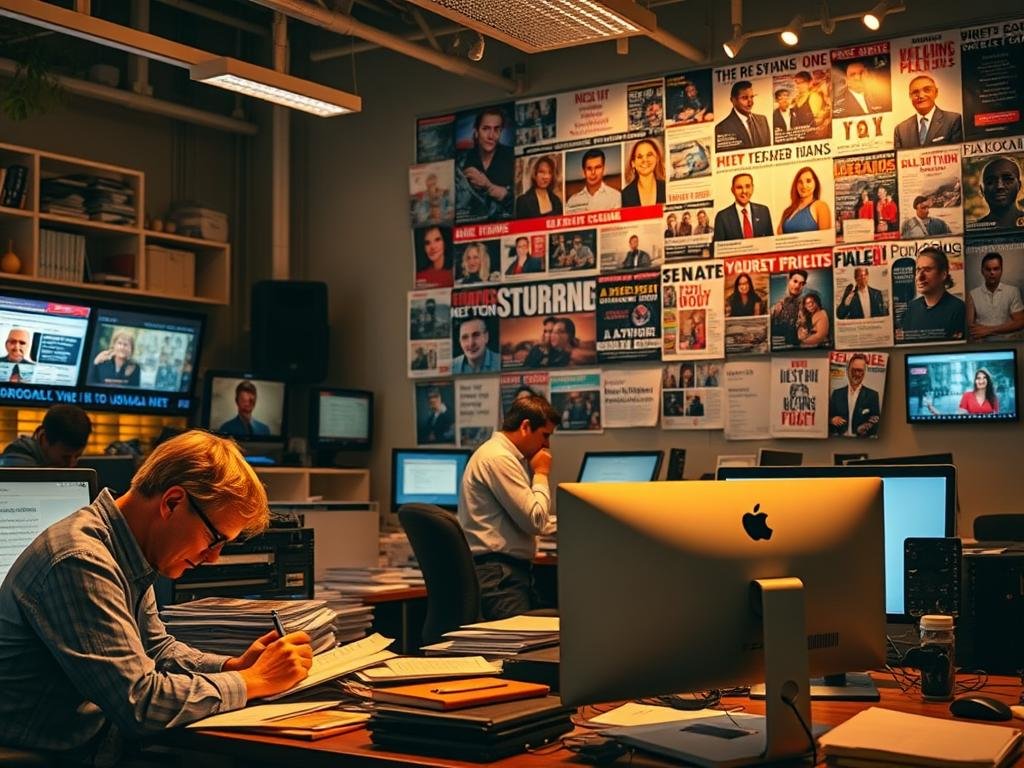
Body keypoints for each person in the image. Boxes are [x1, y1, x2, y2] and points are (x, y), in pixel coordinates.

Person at [0, 430, 313, 761]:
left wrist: (230, 666)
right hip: (50, 756)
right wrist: (253, 680)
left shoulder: (128, 548)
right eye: (215, 538)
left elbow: (156, 649)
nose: (214, 557)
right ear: (172, 502)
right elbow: (140, 703)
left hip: (95, 742)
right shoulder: (80, 560)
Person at [458, 394, 560, 619]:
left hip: (503, 573)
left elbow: (526, 515)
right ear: (525, 426)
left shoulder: (503, 456)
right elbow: (535, 520)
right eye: (545, 435)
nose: (547, 445)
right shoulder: (498, 459)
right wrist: (541, 474)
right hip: (499, 577)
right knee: (518, 649)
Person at [456, 106, 514, 221]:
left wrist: (488, 186)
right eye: (486, 129)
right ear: (476, 132)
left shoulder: (512, 157)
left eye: (496, 129)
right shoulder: (462, 160)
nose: (491, 136)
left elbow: (517, 201)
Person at [898, 246, 966, 342]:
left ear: (943, 275)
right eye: (918, 270)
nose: (919, 276)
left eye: (927, 270)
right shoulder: (911, 308)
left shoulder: (958, 309)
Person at [0, 404, 92, 468]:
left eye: (77, 456)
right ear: (44, 438)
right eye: (65, 457)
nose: (72, 464)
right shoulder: (15, 457)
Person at [893, 74, 963, 149]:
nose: (921, 95)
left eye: (927, 90)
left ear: (936, 93)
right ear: (910, 96)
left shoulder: (953, 120)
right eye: (915, 92)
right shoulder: (900, 130)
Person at [967, 252, 1024, 341]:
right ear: (982, 271)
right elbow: (971, 328)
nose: (992, 272)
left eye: (996, 269)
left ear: (1001, 270)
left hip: (1008, 344)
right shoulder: (973, 294)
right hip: (983, 346)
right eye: (988, 269)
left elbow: (1020, 322)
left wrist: (988, 330)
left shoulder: (1012, 291)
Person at [828, 353, 880, 437]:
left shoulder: (872, 395)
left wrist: (865, 427)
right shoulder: (836, 394)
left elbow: (875, 420)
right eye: (853, 370)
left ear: (864, 372)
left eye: (860, 371)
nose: (856, 374)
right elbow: (827, 418)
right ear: (847, 370)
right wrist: (832, 420)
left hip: (863, 442)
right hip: (838, 441)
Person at [714, 173, 773, 241]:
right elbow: (718, 248)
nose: (744, 191)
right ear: (732, 190)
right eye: (739, 187)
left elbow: (770, 242)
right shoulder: (722, 217)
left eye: (747, 186)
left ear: (752, 188)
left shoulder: (764, 211)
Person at [715, 80, 770, 150]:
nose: (751, 102)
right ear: (733, 100)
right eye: (745, 98)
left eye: (752, 97)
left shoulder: (763, 120)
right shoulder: (722, 128)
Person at [777, 166, 832, 233]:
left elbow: (826, 239)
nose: (804, 186)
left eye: (808, 181)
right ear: (796, 185)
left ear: (815, 183)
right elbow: (779, 238)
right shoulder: (787, 211)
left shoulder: (820, 206)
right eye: (800, 182)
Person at [565, 148, 621, 212]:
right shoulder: (572, 201)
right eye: (589, 168)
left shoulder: (616, 197)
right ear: (584, 171)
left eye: (597, 167)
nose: (593, 172)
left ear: (603, 169)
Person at [977, 156, 1024, 230]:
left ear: (1019, 185)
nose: (1000, 186)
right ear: (982, 190)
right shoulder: (975, 228)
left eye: (1007, 179)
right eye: (990, 182)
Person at [620, 139, 666, 207]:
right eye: (639, 157)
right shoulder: (624, 196)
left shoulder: (667, 188)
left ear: (657, 158)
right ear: (633, 163)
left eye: (649, 155)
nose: (645, 160)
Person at [771, 269, 808, 347]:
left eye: (801, 283)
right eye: (795, 281)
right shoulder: (777, 306)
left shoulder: (807, 306)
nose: (797, 286)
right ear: (788, 280)